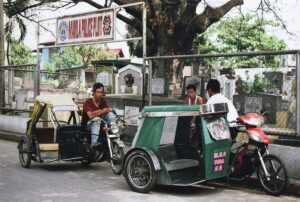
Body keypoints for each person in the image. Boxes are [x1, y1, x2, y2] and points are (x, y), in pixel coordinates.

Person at [81, 82, 116, 147]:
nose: (100, 94)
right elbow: (90, 116)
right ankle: (94, 144)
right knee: (96, 119)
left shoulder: (103, 101)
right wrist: (103, 111)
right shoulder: (88, 102)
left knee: (110, 114)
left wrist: (97, 112)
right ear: (93, 93)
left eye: (101, 92)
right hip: (88, 125)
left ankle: (113, 130)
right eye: (98, 92)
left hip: (101, 122)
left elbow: (109, 110)